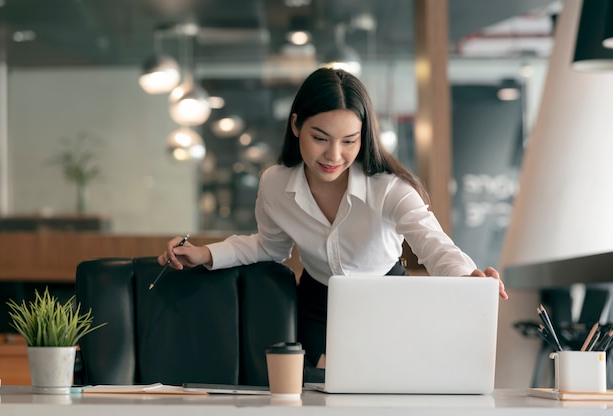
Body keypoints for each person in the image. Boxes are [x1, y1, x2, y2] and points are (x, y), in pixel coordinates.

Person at [159, 67, 508, 371]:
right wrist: (205, 254)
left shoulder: (389, 189)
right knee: (324, 389)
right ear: (296, 125)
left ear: (364, 137)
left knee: (386, 388)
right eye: (320, 138)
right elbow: (270, 245)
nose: (333, 155)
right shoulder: (275, 183)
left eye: (349, 141)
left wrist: (468, 278)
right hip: (318, 303)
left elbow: (433, 245)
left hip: (388, 298)